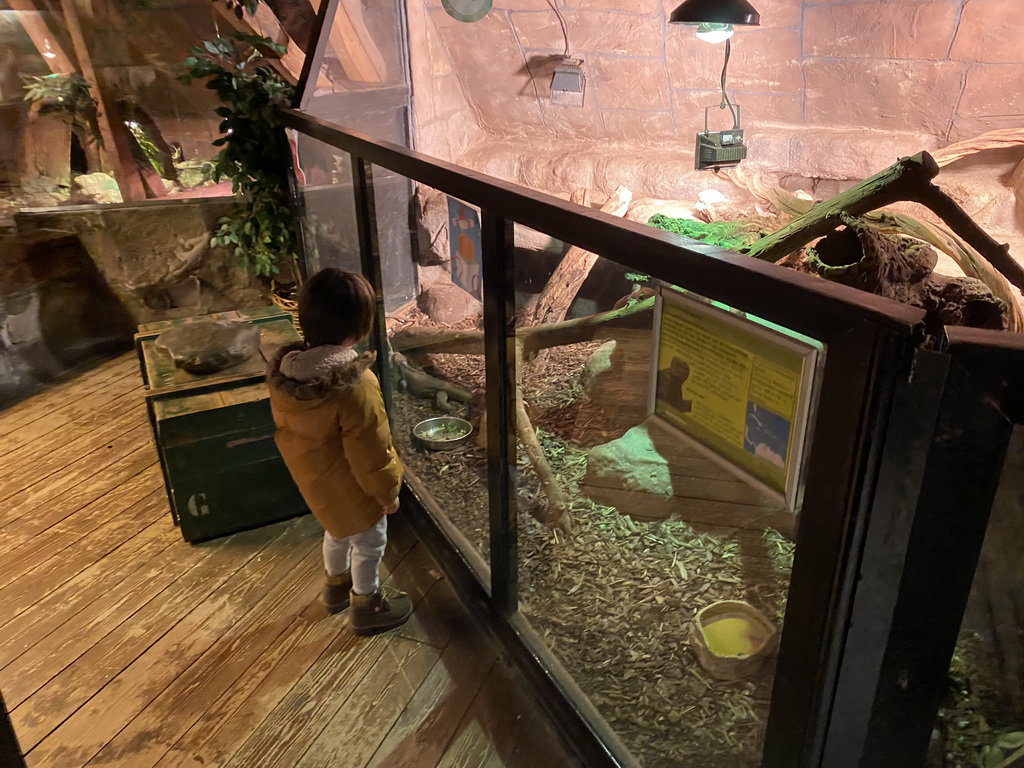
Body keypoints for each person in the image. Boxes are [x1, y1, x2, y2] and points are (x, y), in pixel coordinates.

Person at [266, 268, 411, 636]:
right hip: (354, 491)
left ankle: (335, 588)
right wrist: (388, 492)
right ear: (359, 328)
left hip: (317, 484)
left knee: (335, 532)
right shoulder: (354, 386)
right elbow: (371, 450)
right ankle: (367, 604)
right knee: (369, 542)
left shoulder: (288, 376)